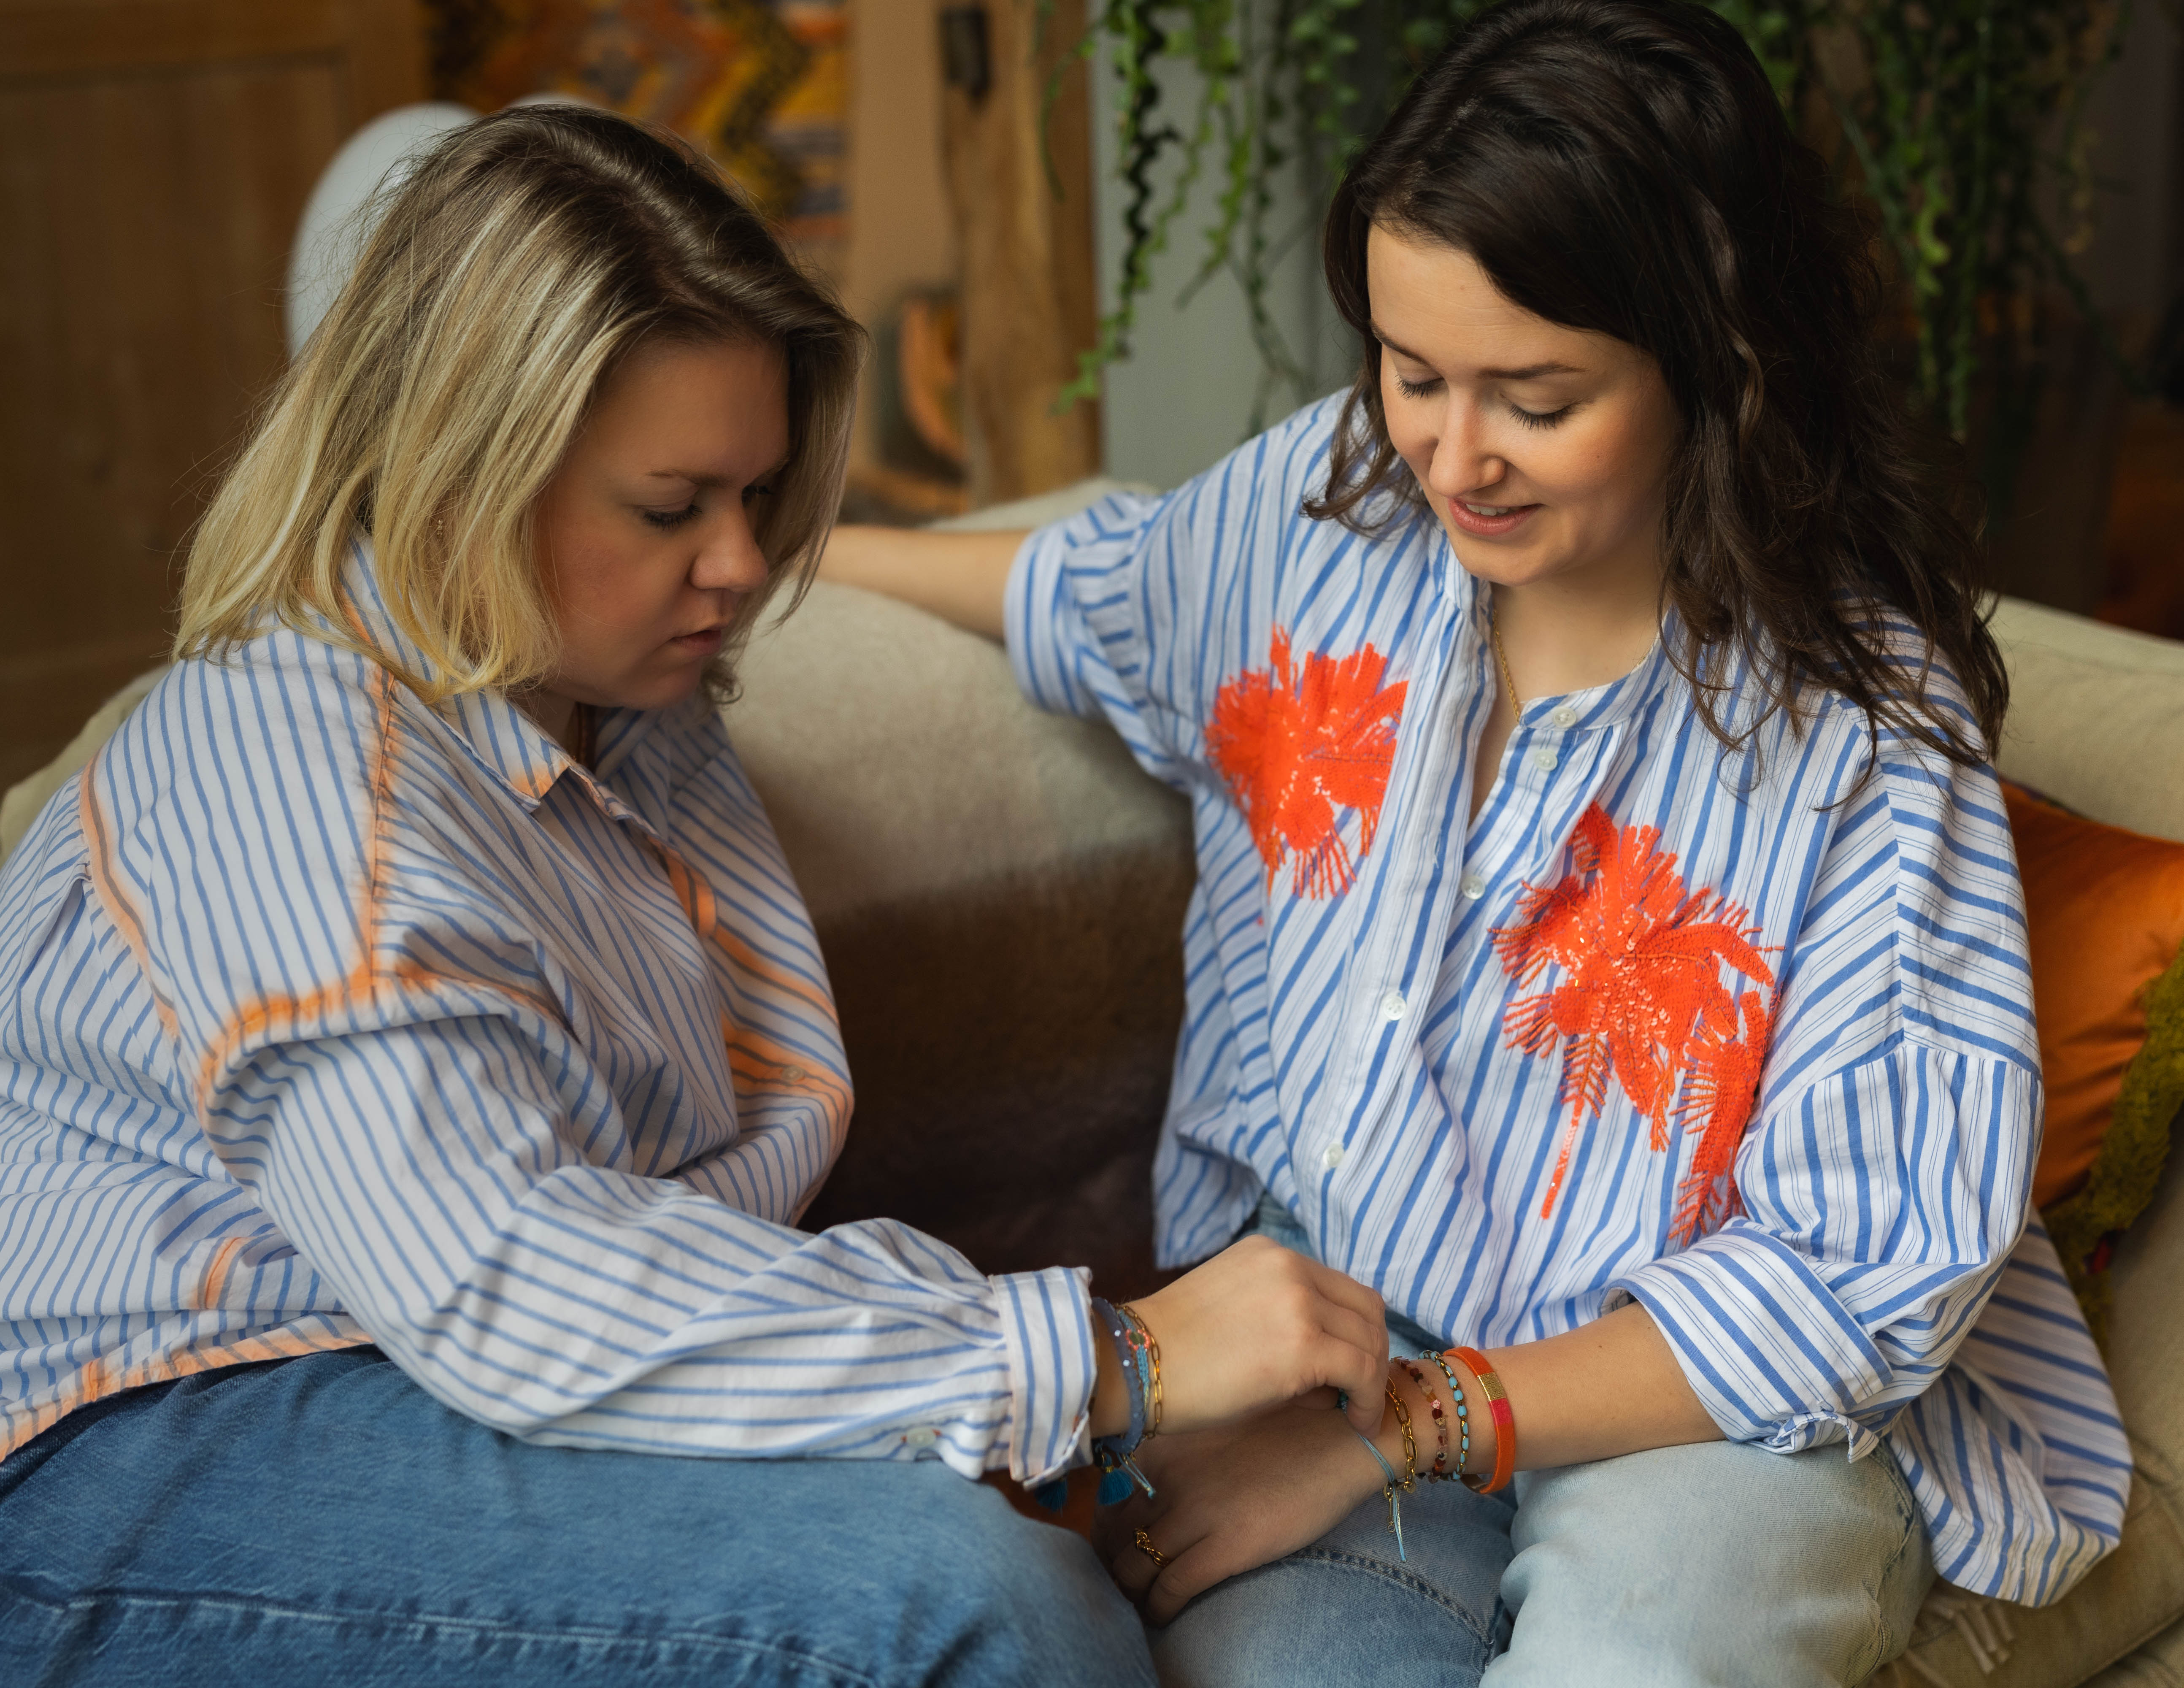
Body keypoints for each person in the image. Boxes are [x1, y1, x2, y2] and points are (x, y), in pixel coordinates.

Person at [0, 104, 1399, 1686]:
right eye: (673, 510)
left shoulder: (636, 725)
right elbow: (505, 1280)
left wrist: (1001, 1386)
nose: (741, 567)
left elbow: (664, 1234)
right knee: (966, 1607)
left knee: (1031, 1540)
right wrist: (1102, 1356)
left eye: (759, 494)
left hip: (436, 1379)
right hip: (134, 1439)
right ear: (462, 469)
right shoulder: (283, 763)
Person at [818, 1, 2130, 1681]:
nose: (1449, 455)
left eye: (1534, 395)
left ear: (1716, 358)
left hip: (1702, 1402)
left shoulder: (1865, 733)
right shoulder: (1322, 511)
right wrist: (760, 566)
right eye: (1411, 369)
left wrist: (1420, 1422)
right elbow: (1095, 591)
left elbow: (1860, 1270)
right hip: (1318, 1333)